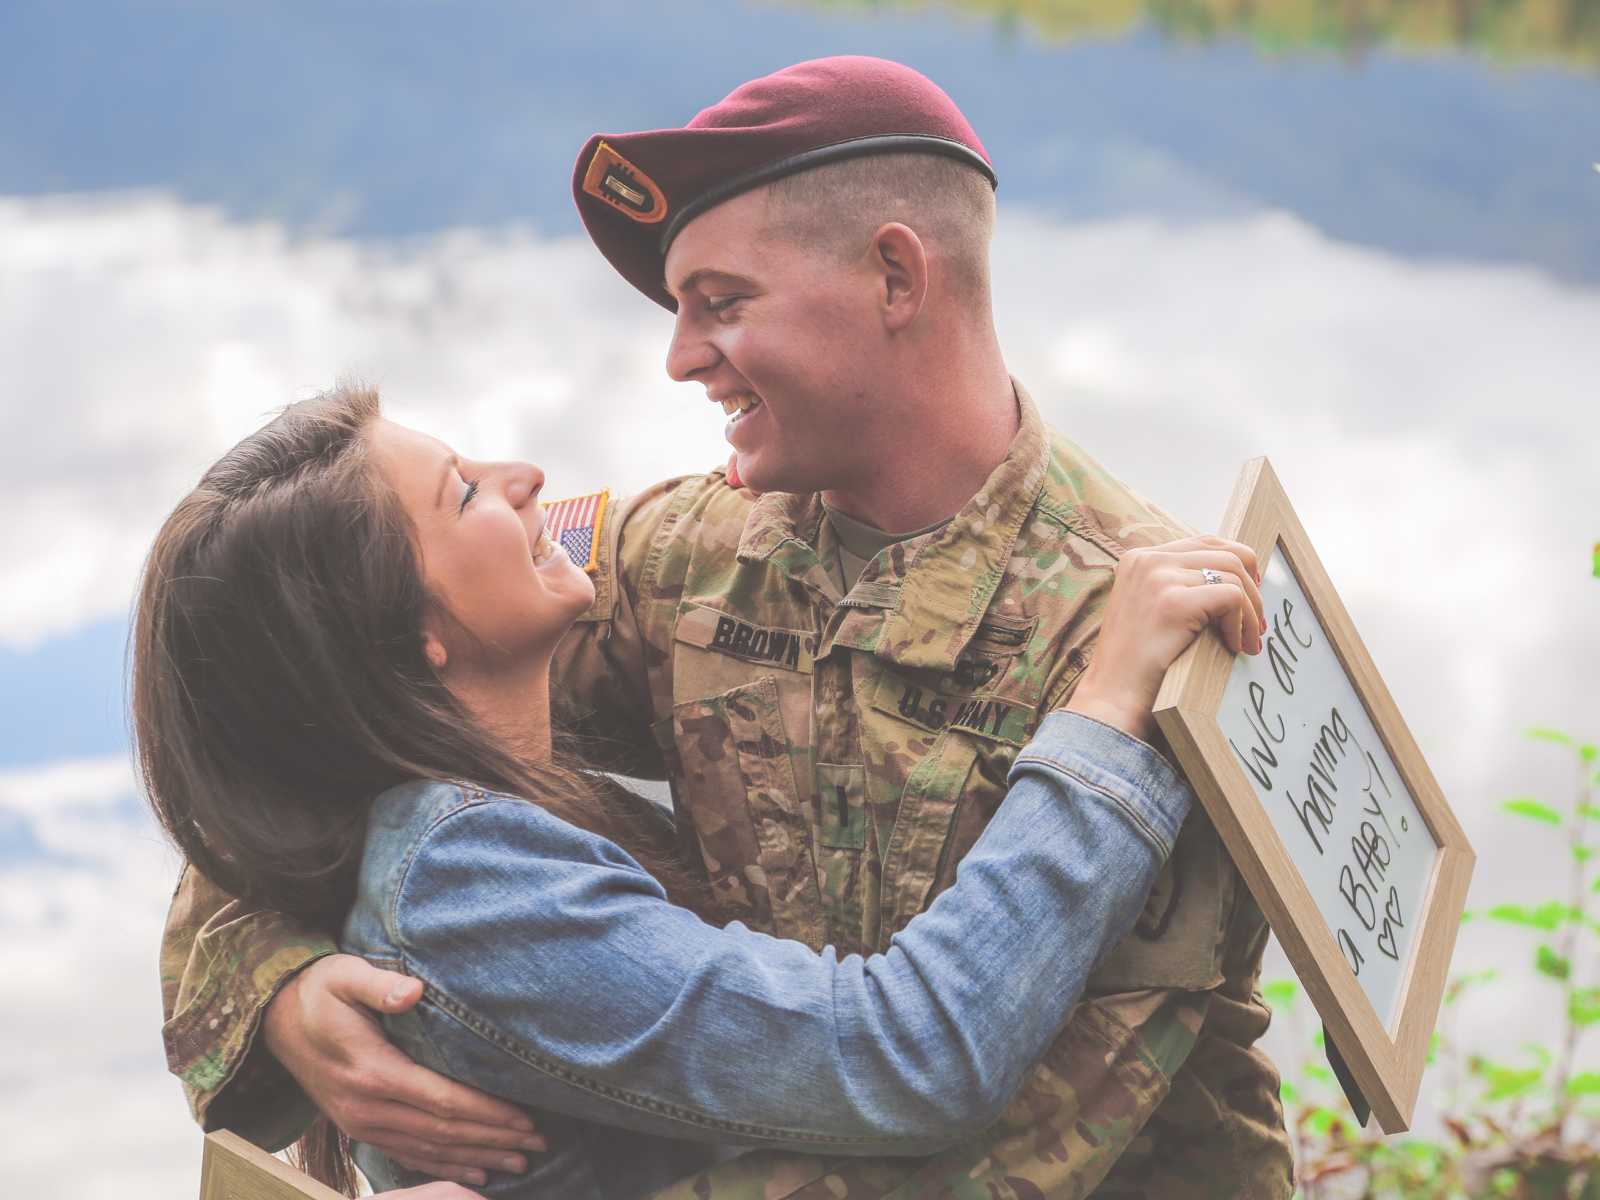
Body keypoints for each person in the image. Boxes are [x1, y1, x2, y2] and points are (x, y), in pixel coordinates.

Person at [158, 57, 1295, 1198]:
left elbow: (1039, 1110)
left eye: (721, 302)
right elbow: (302, 717)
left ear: (895, 277)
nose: (679, 355)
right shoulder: (676, 558)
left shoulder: (1152, 636)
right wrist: (281, 991)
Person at [136, 384, 1262, 1198]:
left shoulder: (649, 562)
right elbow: (905, 1055)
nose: (529, 477)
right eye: (466, 490)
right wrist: (1110, 708)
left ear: (895, 277)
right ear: (416, 636)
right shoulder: (461, 886)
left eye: (721, 301)